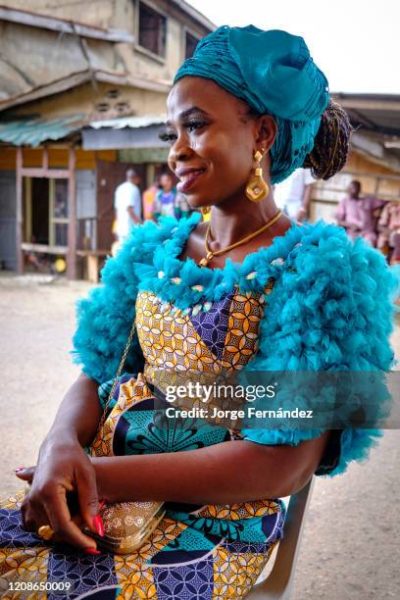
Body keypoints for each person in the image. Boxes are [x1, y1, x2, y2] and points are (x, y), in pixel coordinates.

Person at [1, 26, 397, 599]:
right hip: (93, 495)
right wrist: (59, 444)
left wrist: (94, 476)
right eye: (173, 131)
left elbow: (280, 464)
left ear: (262, 132)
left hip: (211, 524)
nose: (176, 149)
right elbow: (97, 375)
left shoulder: (324, 273)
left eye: (196, 125)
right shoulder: (150, 250)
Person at [335, 180, 385, 246]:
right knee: (352, 244)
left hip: (368, 232)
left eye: (354, 188)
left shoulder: (367, 201)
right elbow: (339, 221)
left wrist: (379, 213)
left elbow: (385, 203)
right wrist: (350, 225)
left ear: (359, 190)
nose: (351, 190)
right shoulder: (344, 202)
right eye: (350, 188)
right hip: (352, 232)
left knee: (370, 242)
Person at [113, 168, 142, 243]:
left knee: (123, 251)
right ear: (136, 178)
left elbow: (116, 210)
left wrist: (116, 226)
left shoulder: (119, 188)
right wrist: (139, 224)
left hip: (121, 228)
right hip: (130, 228)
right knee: (132, 252)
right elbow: (129, 209)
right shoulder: (133, 188)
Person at [377, 200, 400, 264]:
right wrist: (392, 233)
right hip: (390, 233)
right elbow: (380, 226)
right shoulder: (390, 206)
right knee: (383, 241)